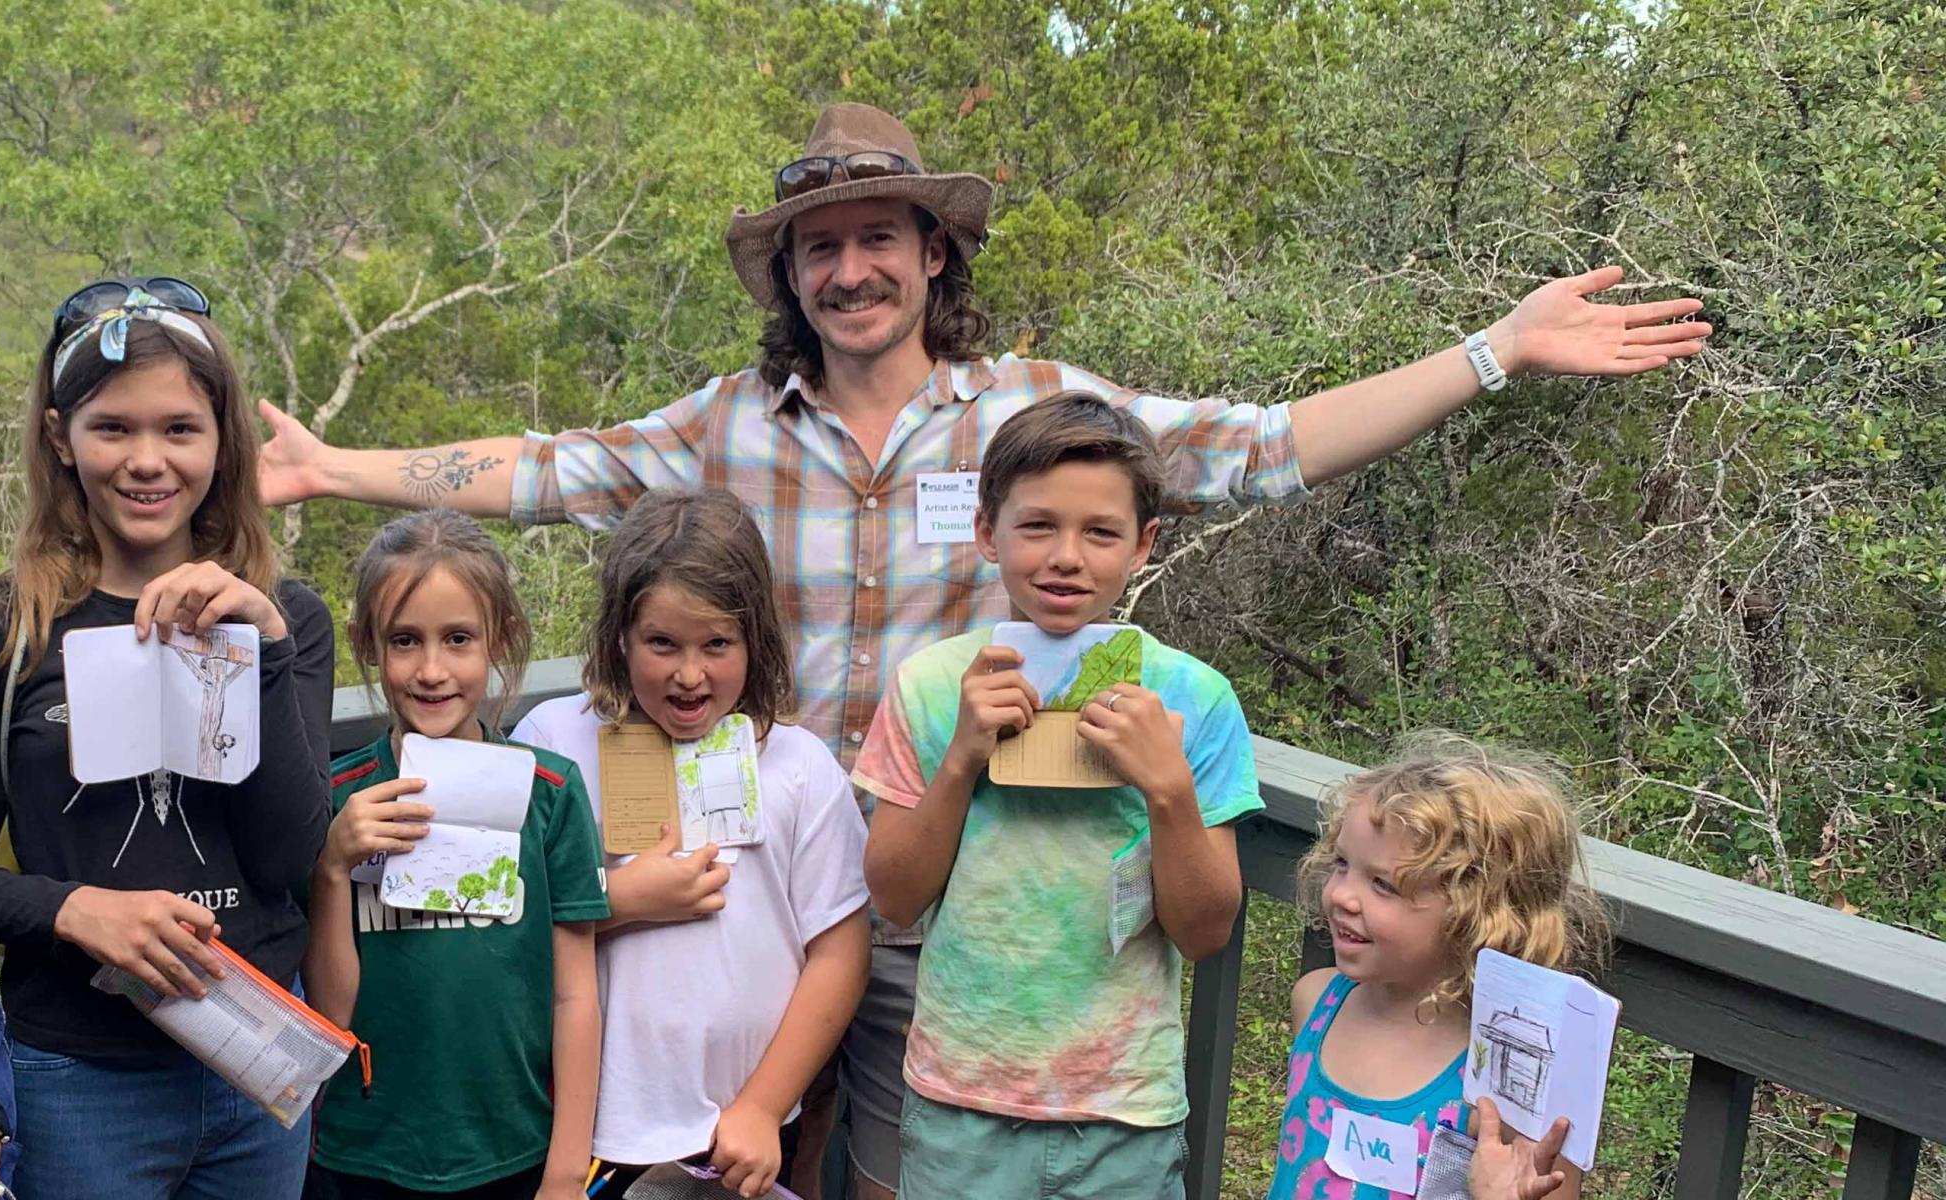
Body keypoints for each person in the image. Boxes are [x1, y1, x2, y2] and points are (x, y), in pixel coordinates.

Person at [258, 101, 1709, 1199]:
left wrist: (1495, 352)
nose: (850, 270)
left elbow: (1265, 447)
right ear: (790, 278)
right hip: (752, 899)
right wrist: (332, 470)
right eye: (819, 248)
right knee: (722, 1159)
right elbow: (541, 469)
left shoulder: (1035, 417)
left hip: (951, 915)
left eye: (877, 238)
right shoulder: (725, 427)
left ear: (931, 250)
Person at [0, 277, 335, 1200]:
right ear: (60, 436)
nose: (148, 461)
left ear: (223, 442)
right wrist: (75, 911)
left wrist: (263, 653)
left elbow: (289, 857)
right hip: (78, 1077)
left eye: (180, 429)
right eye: (113, 428)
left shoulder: (288, 619)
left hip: (256, 1057)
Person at [854, 395, 1257, 1199]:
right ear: (987, 532)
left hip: (1125, 1111)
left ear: (1143, 544)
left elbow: (1205, 931)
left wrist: (1168, 789)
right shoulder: (930, 687)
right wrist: (962, 759)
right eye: (1037, 525)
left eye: (1101, 532)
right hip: (960, 1101)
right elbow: (894, 898)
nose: (1066, 557)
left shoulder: (1194, 699)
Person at [506, 490, 869, 1198]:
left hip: (739, 1136)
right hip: (577, 1137)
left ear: (755, 640)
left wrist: (762, 1107)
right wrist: (616, 901)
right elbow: (502, 923)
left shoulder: (799, 765)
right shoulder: (553, 741)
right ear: (620, 635)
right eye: (663, 644)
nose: (690, 674)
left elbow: (841, 953)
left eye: (717, 645)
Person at [304, 509, 608, 1200]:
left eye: (459, 639)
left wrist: (568, 1166)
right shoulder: (336, 798)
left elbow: (575, 993)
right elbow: (328, 1015)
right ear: (368, 644)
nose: (432, 670)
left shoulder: (550, 793)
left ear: (501, 638)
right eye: (405, 640)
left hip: (517, 1149)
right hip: (363, 1154)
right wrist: (332, 868)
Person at [1276, 732, 1609, 1200]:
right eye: (1342, 863)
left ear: (1476, 915)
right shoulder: (1316, 1003)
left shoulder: (1509, 1089)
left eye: (1384, 885)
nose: (1341, 895)